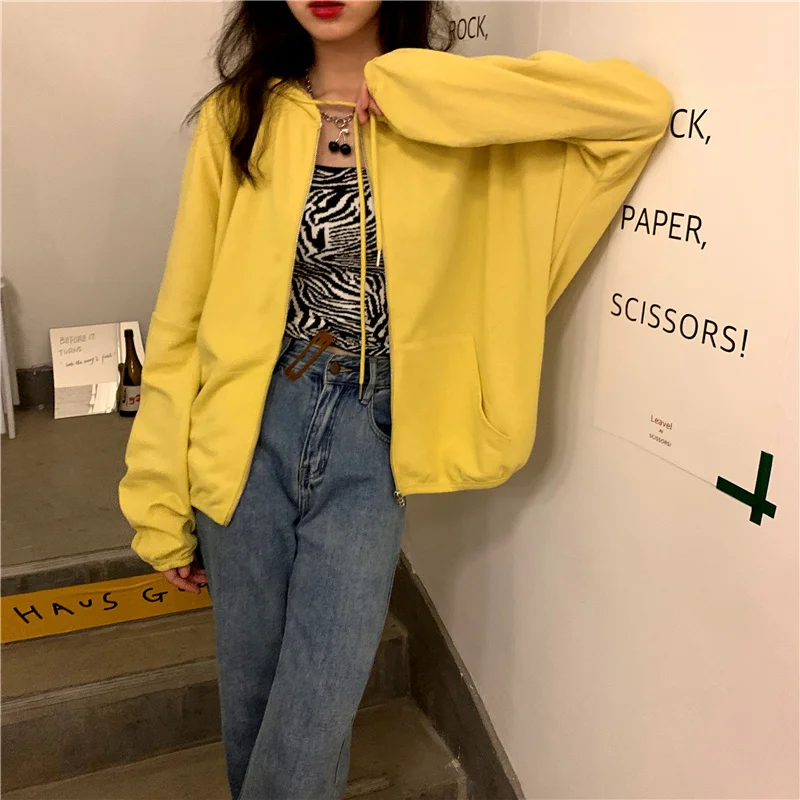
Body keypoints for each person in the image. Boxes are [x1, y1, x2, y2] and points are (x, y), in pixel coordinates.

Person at [119, 1, 672, 798]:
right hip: (247, 426)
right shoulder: (239, 116)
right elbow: (182, 316)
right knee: (252, 701)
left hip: (369, 434)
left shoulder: (446, 110)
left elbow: (637, 111)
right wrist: (158, 497)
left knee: (314, 710)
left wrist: (423, 90)